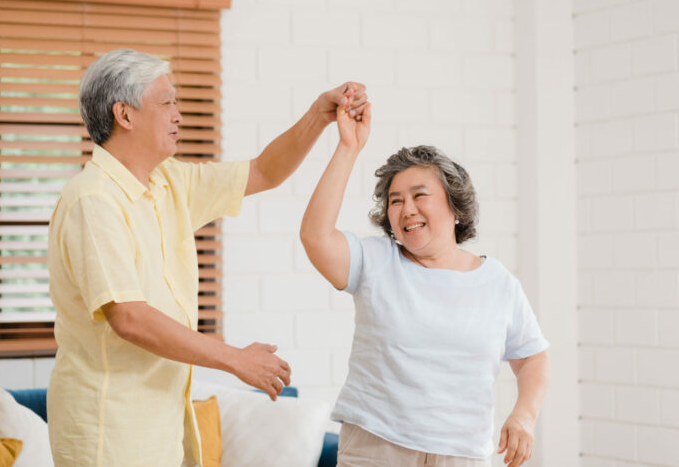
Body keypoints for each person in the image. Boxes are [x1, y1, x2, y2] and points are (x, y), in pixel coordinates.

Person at [47, 48, 368, 467]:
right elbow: (129, 317)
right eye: (166, 102)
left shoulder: (168, 181)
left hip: (161, 426)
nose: (178, 114)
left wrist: (319, 116)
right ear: (124, 115)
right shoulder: (94, 200)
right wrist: (235, 359)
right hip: (109, 430)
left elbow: (265, 171)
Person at [299, 106, 549, 467]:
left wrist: (524, 414)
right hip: (377, 446)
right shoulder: (376, 261)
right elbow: (315, 236)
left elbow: (533, 358)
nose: (406, 209)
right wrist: (348, 147)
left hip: (462, 453)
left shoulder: (498, 284)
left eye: (419, 195)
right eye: (395, 200)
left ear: (455, 206)